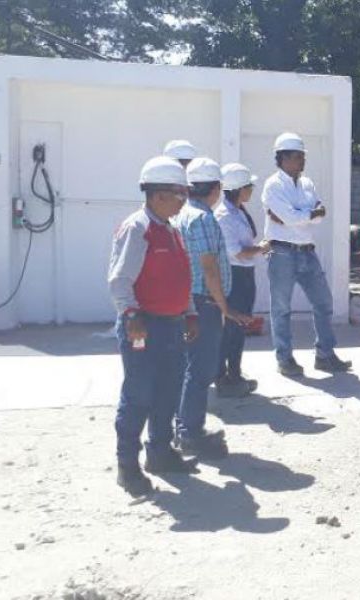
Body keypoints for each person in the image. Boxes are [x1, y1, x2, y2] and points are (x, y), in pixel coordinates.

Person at [107, 156, 200, 497]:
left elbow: (180, 278)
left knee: (168, 392)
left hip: (172, 327)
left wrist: (189, 312)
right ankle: (127, 466)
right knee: (139, 395)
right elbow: (120, 280)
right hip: (144, 328)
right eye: (180, 194)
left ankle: (160, 453)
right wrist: (131, 316)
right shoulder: (138, 228)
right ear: (159, 194)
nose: (183, 200)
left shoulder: (171, 229)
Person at [172, 157, 251, 459]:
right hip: (202, 303)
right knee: (201, 370)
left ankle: (182, 428)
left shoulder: (181, 214)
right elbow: (209, 267)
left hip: (185, 300)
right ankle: (191, 433)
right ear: (216, 188)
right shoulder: (203, 218)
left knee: (186, 368)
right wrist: (225, 307)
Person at [261, 132, 350, 376]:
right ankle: (285, 359)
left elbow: (319, 214)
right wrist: (304, 215)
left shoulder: (307, 183)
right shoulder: (273, 185)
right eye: (298, 156)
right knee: (281, 308)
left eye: (303, 156)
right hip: (282, 252)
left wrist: (299, 215)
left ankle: (325, 354)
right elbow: (297, 216)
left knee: (323, 302)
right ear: (283, 158)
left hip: (307, 252)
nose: (303, 160)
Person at [214, 163, 269, 396]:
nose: (252, 189)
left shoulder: (237, 211)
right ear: (239, 189)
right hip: (235, 276)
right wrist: (261, 248)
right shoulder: (224, 215)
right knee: (232, 329)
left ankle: (234, 373)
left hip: (244, 274)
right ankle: (224, 376)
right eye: (249, 186)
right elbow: (236, 251)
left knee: (239, 327)